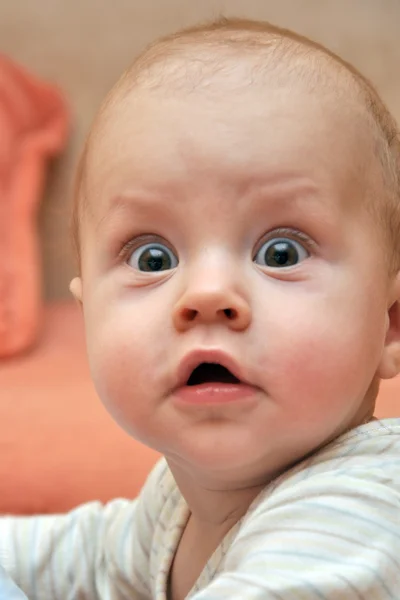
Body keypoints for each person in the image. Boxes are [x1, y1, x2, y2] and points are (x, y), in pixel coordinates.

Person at [1, 16, 400, 600]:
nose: (207, 295)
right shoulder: (179, 500)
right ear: (87, 315)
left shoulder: (361, 509)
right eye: (153, 259)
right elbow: (75, 555)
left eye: (280, 251)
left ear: (390, 323)